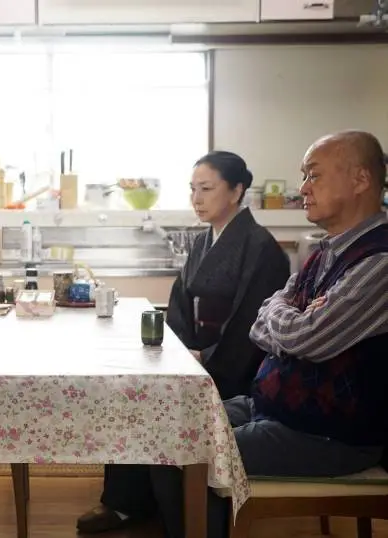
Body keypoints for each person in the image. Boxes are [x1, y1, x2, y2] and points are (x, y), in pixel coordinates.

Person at [100, 130, 388, 538]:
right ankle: (140, 510)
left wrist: (282, 321)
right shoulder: (327, 251)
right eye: (304, 176)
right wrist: (288, 317)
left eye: (314, 175)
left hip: (325, 430)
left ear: (360, 179)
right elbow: (262, 319)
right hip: (272, 403)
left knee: (182, 450)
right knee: (157, 421)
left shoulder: (378, 262)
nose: (303, 188)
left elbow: (303, 337)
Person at [77, 151, 291, 535]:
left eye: (206, 189)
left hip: (233, 367)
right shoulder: (202, 240)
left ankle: (179, 517)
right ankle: (129, 502)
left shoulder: (261, 247)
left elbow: (252, 323)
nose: (197, 199)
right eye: (193, 189)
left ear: (236, 191)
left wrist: (204, 358)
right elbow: (180, 301)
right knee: (134, 387)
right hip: (195, 357)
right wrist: (175, 351)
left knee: (155, 405)